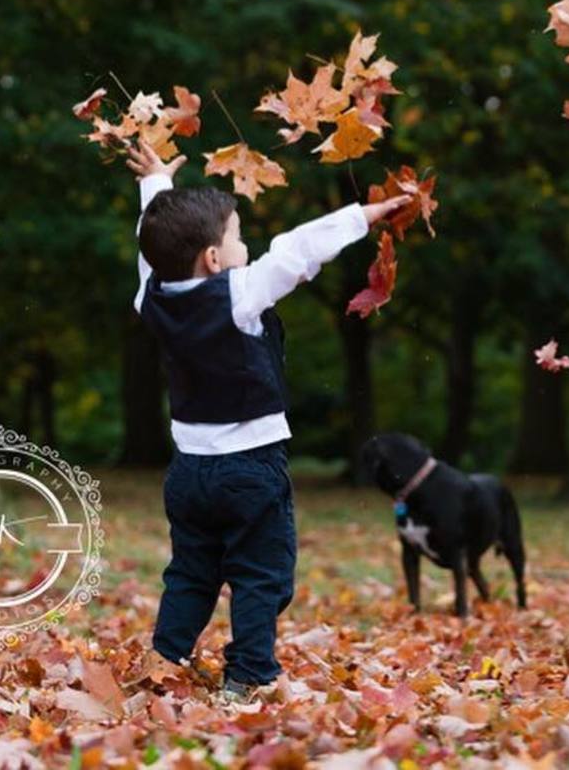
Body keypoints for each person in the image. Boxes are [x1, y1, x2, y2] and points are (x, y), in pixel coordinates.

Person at [125, 137, 410, 706]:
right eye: (235, 237)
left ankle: (164, 662)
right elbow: (298, 251)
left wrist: (154, 186)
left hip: (188, 475)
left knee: (192, 573)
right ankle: (249, 674)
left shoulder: (151, 296)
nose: (245, 245)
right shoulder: (239, 294)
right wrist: (365, 214)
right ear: (212, 257)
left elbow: (150, 251)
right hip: (250, 470)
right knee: (262, 575)